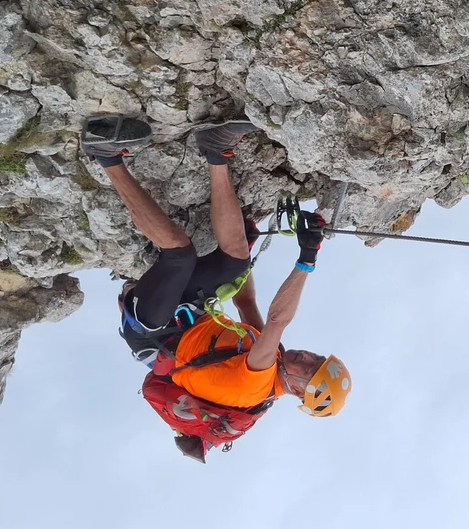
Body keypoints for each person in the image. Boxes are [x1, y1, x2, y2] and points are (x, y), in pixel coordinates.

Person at [87, 115, 350, 459]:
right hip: (187, 316)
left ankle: (106, 157)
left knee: (180, 256)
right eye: (317, 358)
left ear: (300, 392)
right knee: (237, 260)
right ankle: (215, 150)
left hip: (153, 330)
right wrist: (243, 243)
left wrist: (307, 257)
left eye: (310, 369)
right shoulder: (276, 357)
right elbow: (246, 299)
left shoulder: (258, 383)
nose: (308, 357)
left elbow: (277, 320)